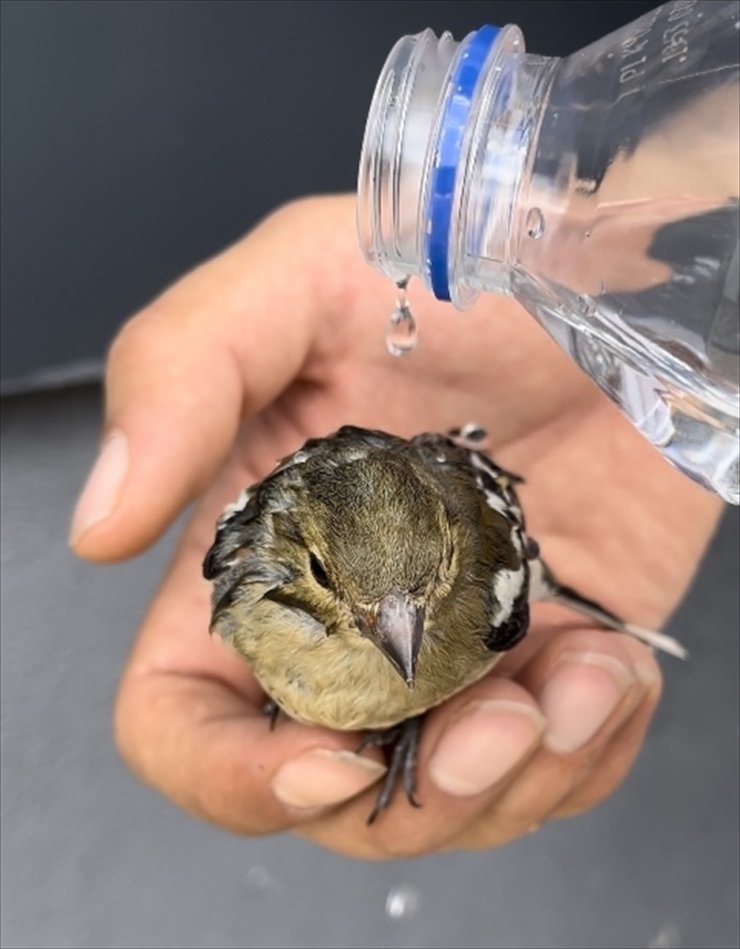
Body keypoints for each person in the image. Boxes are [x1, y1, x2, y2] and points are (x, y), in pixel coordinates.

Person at [69, 194, 722, 859]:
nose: (400, 635)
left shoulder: (472, 590)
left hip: (455, 471)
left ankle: (411, 718)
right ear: (291, 548)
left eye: (425, 587)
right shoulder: (246, 542)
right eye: (329, 578)